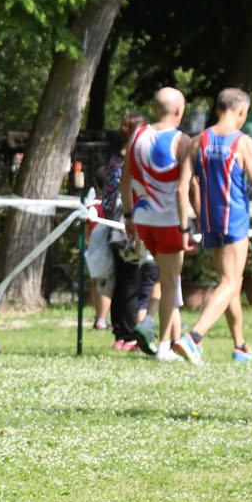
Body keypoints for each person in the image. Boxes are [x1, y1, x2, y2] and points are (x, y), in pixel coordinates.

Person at [173, 88, 252, 363]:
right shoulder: (243, 142)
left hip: (210, 221)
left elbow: (182, 188)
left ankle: (240, 346)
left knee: (230, 282)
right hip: (234, 219)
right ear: (242, 112)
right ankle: (193, 337)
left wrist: (184, 228)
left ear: (217, 109)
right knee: (230, 282)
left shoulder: (197, 141)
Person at [121, 88, 192, 360]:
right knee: (172, 281)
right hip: (169, 221)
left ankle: (149, 321)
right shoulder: (181, 140)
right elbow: (182, 189)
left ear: (154, 109)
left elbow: (125, 178)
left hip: (143, 220)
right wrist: (186, 228)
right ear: (179, 111)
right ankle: (164, 346)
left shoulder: (137, 136)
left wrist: (128, 216)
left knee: (163, 276)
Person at [103, 112, 158, 353]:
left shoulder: (116, 160)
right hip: (131, 223)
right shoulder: (136, 160)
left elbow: (107, 196)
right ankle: (130, 334)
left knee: (123, 279)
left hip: (116, 223)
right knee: (133, 281)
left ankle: (121, 333)